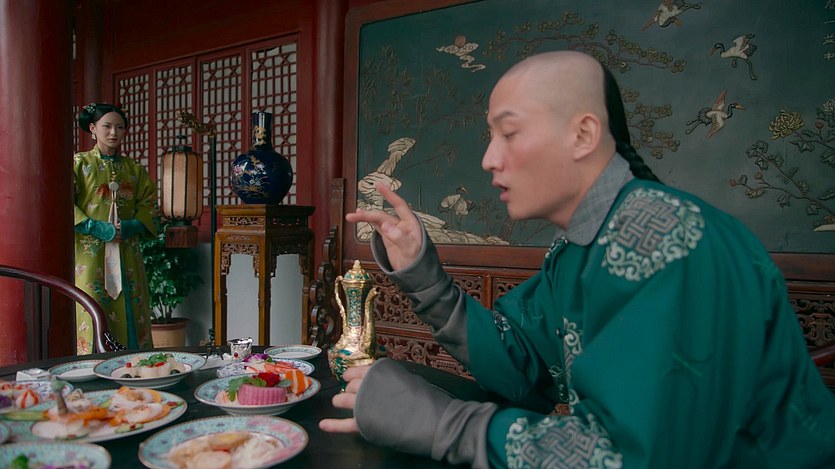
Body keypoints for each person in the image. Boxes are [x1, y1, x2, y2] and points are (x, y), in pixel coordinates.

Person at [319, 51, 835, 467]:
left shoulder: (668, 239)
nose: (488, 158)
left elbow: (635, 455)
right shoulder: (582, 246)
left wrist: (446, 425)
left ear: (583, 134)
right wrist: (423, 275)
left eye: (509, 133)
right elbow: (521, 365)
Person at [74, 103, 157, 353]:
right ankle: (91, 363)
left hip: (126, 250)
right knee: (91, 304)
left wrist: (133, 225)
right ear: (93, 128)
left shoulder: (134, 169)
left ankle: (132, 360)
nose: (113, 133)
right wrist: (93, 226)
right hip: (90, 251)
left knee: (131, 306)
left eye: (120, 127)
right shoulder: (79, 164)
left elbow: (149, 203)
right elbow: (62, 202)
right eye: (107, 126)